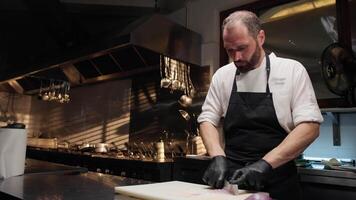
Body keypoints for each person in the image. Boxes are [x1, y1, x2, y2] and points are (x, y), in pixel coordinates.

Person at [197, 10, 323, 200]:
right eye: (229, 50)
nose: (236, 57)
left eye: (242, 48)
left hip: (279, 182)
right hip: (233, 185)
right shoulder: (223, 76)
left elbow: (310, 127)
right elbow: (207, 119)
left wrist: (265, 164)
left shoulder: (291, 71)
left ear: (261, 37)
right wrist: (217, 155)